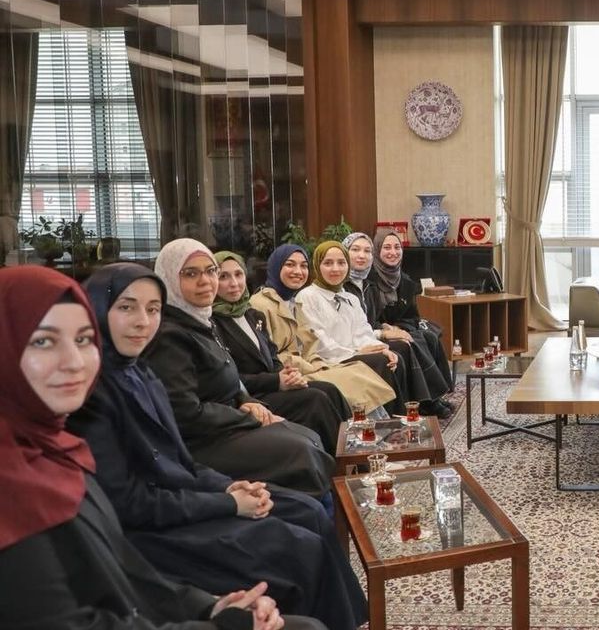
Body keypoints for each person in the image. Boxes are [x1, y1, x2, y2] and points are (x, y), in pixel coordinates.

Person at [0, 264, 321, 630]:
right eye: (43, 342)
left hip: (162, 561)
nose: (74, 362)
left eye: (84, 339)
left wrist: (208, 607)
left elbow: (122, 568)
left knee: (302, 519)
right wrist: (219, 624)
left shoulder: (55, 443)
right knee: (295, 546)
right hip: (161, 526)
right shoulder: (16, 478)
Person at [69, 263, 367, 629]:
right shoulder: (90, 395)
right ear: (95, 311)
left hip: (186, 492)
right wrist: (228, 502)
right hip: (153, 531)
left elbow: (179, 459)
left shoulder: (140, 372)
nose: (142, 322)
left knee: (307, 510)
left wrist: (227, 485)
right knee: (298, 547)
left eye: (153, 309)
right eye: (126, 307)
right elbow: (132, 502)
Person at [143, 239, 335, 498]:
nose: (205, 281)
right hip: (203, 442)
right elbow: (185, 414)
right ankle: (320, 511)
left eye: (210, 271)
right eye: (190, 274)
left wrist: (247, 401)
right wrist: (246, 415)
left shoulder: (202, 321)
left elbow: (230, 376)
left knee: (308, 434)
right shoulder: (170, 335)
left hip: (229, 420)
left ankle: (338, 496)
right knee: (302, 450)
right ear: (168, 279)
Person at [211, 251, 349, 454]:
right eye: (223, 276)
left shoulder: (252, 315)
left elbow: (273, 357)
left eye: (238, 275)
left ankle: (356, 454)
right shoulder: (213, 323)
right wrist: (277, 381)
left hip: (273, 386)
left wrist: (288, 375)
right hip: (251, 397)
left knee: (330, 390)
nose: (234, 283)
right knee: (315, 400)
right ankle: (338, 462)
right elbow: (232, 378)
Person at [296, 241, 448, 417]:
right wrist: (357, 352)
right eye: (328, 263)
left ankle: (407, 412)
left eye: (341, 263)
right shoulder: (308, 297)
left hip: (353, 352)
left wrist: (382, 349)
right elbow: (318, 341)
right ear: (317, 265)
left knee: (393, 357)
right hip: (331, 358)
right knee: (382, 362)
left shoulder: (349, 298)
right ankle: (392, 419)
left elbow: (362, 331)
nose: (335, 269)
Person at [250, 243, 397, 416]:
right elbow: (273, 355)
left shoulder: (292, 302)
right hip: (292, 373)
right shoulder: (262, 304)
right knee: (352, 379)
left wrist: (377, 347)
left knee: (363, 371)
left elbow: (309, 344)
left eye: (303, 266)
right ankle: (372, 427)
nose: (298, 271)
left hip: (313, 364)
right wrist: (319, 365)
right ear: (276, 267)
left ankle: (383, 424)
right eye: (290, 265)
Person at [356, 229, 454, 406]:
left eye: (397, 247)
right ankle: (426, 402)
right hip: (376, 331)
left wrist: (399, 328)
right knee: (413, 342)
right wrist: (387, 329)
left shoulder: (405, 280)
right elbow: (367, 318)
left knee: (429, 336)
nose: (393, 252)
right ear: (377, 250)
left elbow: (413, 316)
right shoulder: (368, 280)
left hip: (401, 327)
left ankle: (436, 396)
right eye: (387, 247)